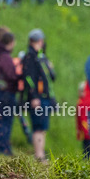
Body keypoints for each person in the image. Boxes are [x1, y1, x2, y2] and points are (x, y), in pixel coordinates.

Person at [21, 29, 56, 162]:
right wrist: (34, 96)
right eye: (36, 41)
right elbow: (28, 78)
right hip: (37, 98)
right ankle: (39, 155)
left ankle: (41, 153)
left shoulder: (42, 57)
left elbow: (51, 77)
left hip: (46, 97)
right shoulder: (29, 57)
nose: (39, 44)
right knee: (38, 127)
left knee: (43, 127)